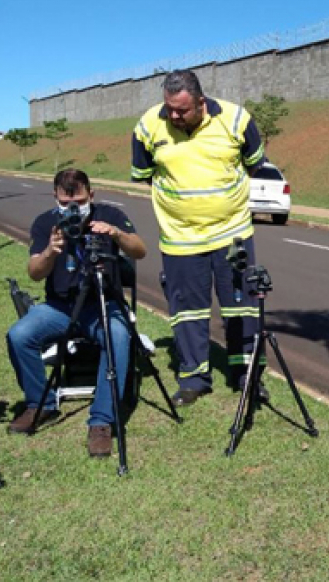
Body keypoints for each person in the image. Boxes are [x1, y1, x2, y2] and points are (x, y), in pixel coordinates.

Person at [130, 69, 268, 406]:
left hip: (233, 235)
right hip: (181, 240)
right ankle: (193, 378)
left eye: (181, 110)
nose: (173, 116)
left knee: (242, 309)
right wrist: (183, 206)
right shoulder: (148, 127)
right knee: (188, 312)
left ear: (201, 102)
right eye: (169, 109)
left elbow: (253, 164)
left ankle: (246, 378)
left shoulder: (236, 119)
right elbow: (146, 175)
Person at [6, 169, 147, 458]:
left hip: (102, 304)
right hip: (60, 306)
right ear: (55, 198)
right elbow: (34, 273)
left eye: (79, 200)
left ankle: (102, 421)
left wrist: (117, 234)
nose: (73, 207)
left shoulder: (109, 214)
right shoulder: (46, 222)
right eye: (65, 200)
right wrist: (50, 251)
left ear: (91, 195)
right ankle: (40, 405)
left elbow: (140, 251)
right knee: (19, 335)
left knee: (118, 338)